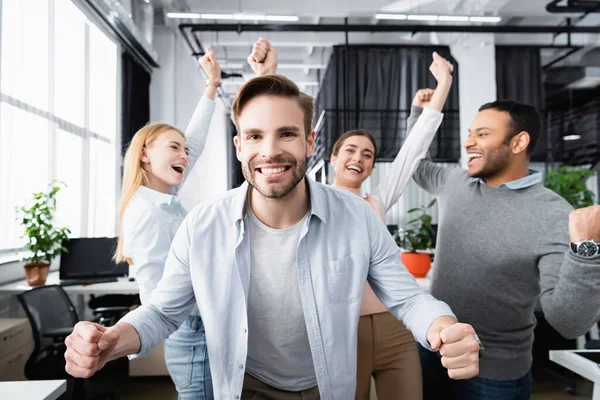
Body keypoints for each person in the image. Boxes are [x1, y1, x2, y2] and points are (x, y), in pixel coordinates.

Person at [64, 72, 481, 400]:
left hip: (329, 386)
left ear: (310, 142)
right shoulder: (203, 225)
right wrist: (113, 340)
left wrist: (444, 327)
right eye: (255, 136)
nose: (270, 150)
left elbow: (407, 298)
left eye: (286, 133)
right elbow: (162, 312)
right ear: (239, 147)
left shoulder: (356, 216)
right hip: (246, 387)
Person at [408, 98, 600, 399]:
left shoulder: (552, 213)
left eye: (482, 134)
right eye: (470, 133)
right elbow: (416, 164)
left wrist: (587, 250)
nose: (468, 142)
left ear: (518, 142)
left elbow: (568, 321)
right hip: (435, 352)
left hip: (495, 375)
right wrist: (421, 113)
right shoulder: (458, 183)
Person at [327, 53, 453, 400]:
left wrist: (443, 85)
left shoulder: (376, 203)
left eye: (367, 154)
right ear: (333, 158)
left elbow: (414, 148)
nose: (358, 158)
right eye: (350, 150)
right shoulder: (316, 202)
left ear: (371, 167)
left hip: (394, 324)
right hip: (344, 328)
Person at [111, 49, 222, 399]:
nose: (185, 156)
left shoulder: (163, 199)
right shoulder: (146, 210)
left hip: (199, 325)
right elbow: (157, 293)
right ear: (145, 153)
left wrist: (212, 86)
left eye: (184, 151)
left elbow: (196, 141)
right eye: (175, 148)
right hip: (189, 330)